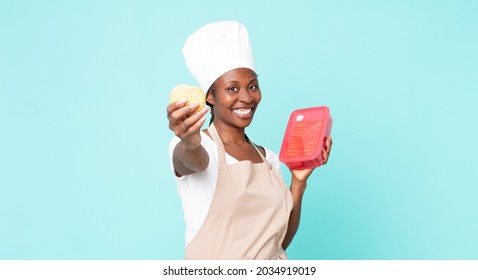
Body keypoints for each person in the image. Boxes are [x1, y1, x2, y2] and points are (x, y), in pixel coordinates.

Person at [167, 21, 332, 260]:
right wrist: (190, 141)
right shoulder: (195, 147)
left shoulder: (269, 158)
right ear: (210, 97)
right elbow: (192, 160)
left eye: (252, 86)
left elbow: (279, 241)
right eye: (232, 89)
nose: (246, 97)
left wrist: (298, 181)